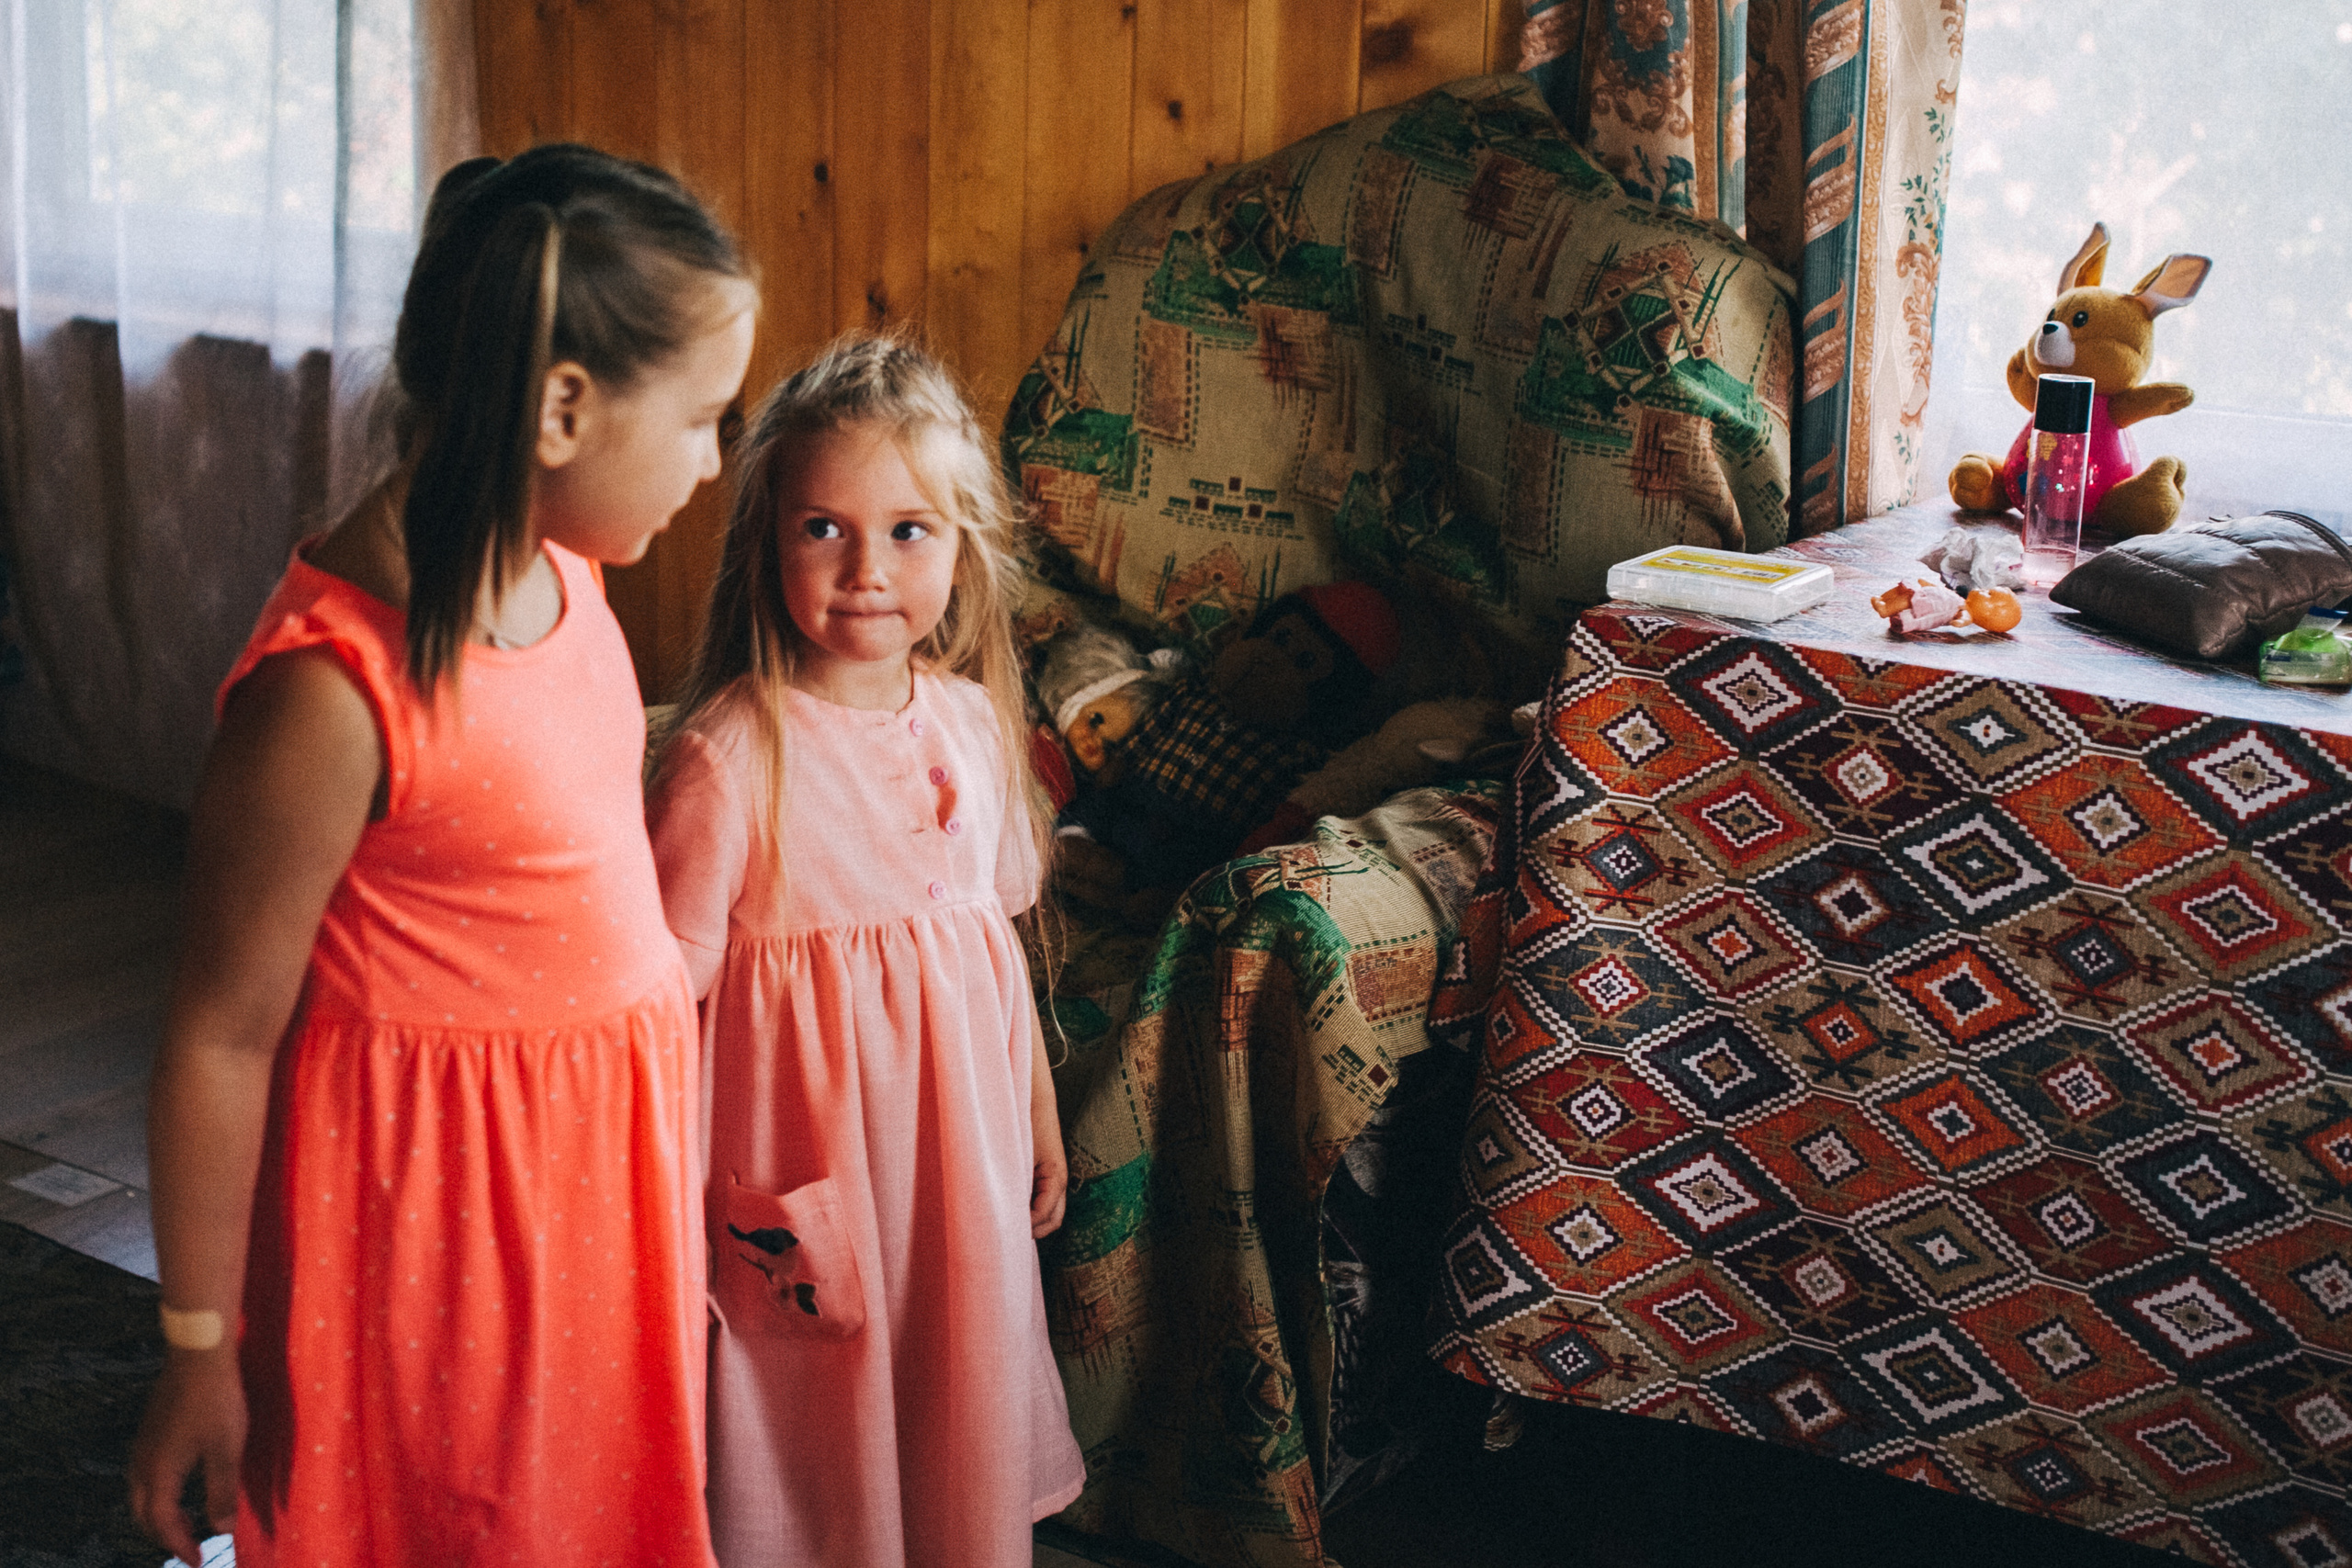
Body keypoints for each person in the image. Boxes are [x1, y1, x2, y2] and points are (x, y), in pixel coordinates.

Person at [127, 144, 757, 1567]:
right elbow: (218, 1037)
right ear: (563, 409)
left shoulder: (563, 570)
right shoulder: (329, 694)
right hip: (438, 1244)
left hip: (593, 1193)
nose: (714, 462)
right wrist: (199, 1348)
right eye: (705, 418)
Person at [646, 334, 1084, 1567]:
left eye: (909, 531)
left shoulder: (970, 725)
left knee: (951, 1389)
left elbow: (993, 943)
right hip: (807, 1179)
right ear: (765, 544)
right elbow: (655, 1012)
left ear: (963, 548)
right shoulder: (728, 760)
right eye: (823, 529)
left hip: (961, 1179)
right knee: (820, 1423)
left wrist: (1036, 1112)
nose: (866, 570)